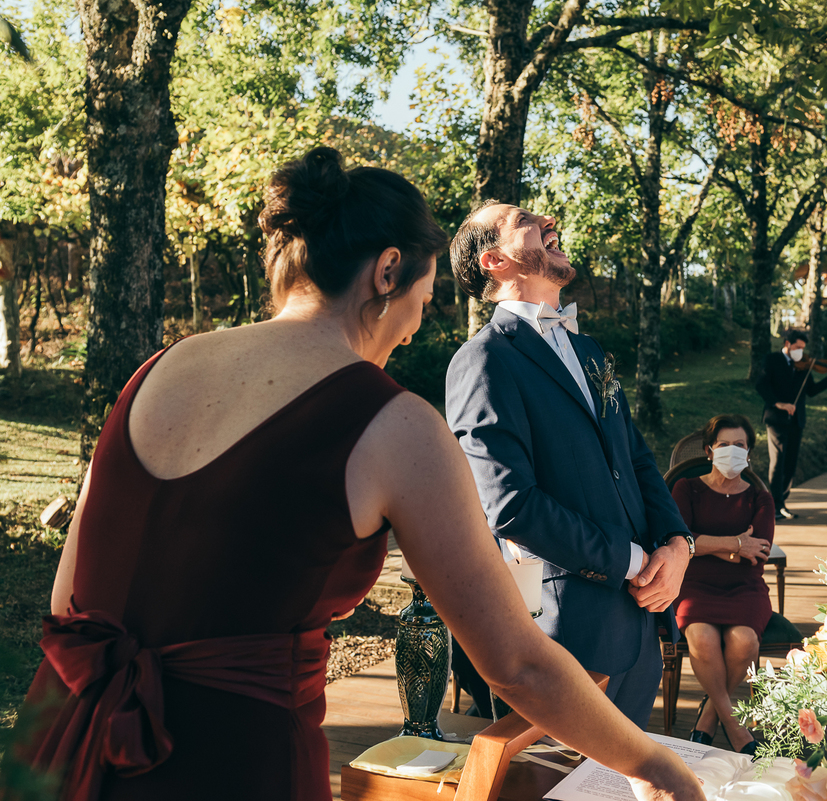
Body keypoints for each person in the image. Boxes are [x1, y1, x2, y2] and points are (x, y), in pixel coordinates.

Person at [3, 148, 704, 801]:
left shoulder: (154, 372)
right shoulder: (394, 423)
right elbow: (516, 662)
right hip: (234, 761)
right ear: (388, 271)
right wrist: (653, 761)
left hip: (63, 743)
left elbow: (72, 597)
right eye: (419, 306)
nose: (407, 333)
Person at [445, 200, 693, 729]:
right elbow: (510, 506)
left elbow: (637, 459)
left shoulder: (591, 352)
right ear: (495, 261)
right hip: (563, 632)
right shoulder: (484, 360)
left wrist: (677, 545)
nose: (548, 222)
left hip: (641, 625)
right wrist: (631, 563)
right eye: (524, 222)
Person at [669, 415, 775, 754]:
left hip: (745, 588)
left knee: (744, 642)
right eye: (724, 444)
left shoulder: (761, 498)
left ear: (749, 454)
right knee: (701, 637)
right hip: (694, 586)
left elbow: (757, 552)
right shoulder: (687, 489)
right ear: (708, 450)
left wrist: (703, 546)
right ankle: (735, 725)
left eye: (740, 445)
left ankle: (711, 715)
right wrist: (733, 545)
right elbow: (678, 542)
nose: (733, 451)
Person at [755, 329, 827, 519]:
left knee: (790, 463)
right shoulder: (772, 359)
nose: (800, 352)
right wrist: (778, 403)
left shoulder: (802, 365)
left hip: (797, 419)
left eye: (803, 349)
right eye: (797, 348)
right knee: (777, 461)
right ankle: (775, 504)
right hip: (776, 418)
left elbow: (811, 390)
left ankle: (782, 502)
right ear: (787, 344)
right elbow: (761, 384)